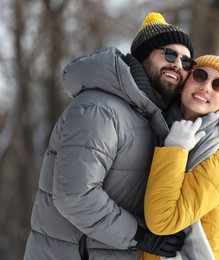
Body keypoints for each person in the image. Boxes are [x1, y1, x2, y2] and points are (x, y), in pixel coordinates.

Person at [24, 12, 197, 260]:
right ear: (143, 56)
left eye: (187, 62)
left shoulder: (155, 120)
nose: (178, 65)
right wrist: (140, 236)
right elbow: (75, 195)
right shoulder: (99, 108)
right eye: (169, 54)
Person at [142, 55, 219, 260]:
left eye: (218, 85)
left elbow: (162, 221)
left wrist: (176, 148)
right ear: (183, 84)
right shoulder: (158, 129)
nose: (206, 87)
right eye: (200, 75)